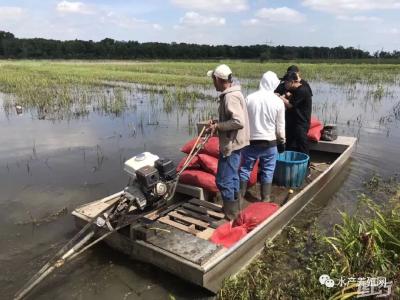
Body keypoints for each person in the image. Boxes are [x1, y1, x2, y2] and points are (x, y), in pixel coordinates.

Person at [206, 64, 250, 220]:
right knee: (232, 177)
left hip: (232, 145)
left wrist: (218, 126)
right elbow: (234, 119)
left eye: (213, 79)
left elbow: (238, 121)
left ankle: (230, 216)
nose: (213, 82)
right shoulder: (234, 93)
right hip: (237, 143)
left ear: (218, 79)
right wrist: (219, 121)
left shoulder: (230, 97)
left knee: (223, 180)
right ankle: (235, 211)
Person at [239, 71, 285, 202]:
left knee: (245, 169)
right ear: (273, 84)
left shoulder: (249, 98)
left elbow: (244, 121)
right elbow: (280, 127)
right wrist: (282, 142)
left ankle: (240, 199)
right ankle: (265, 199)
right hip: (270, 143)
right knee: (268, 170)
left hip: (251, 142)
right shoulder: (278, 102)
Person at [281, 71, 312, 155]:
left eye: (286, 82)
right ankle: (288, 161)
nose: (285, 84)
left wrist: (280, 98)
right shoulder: (295, 90)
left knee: (302, 144)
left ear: (292, 82)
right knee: (290, 143)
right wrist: (287, 96)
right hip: (294, 122)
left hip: (301, 122)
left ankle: (306, 163)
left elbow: (291, 105)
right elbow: (293, 100)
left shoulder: (302, 90)